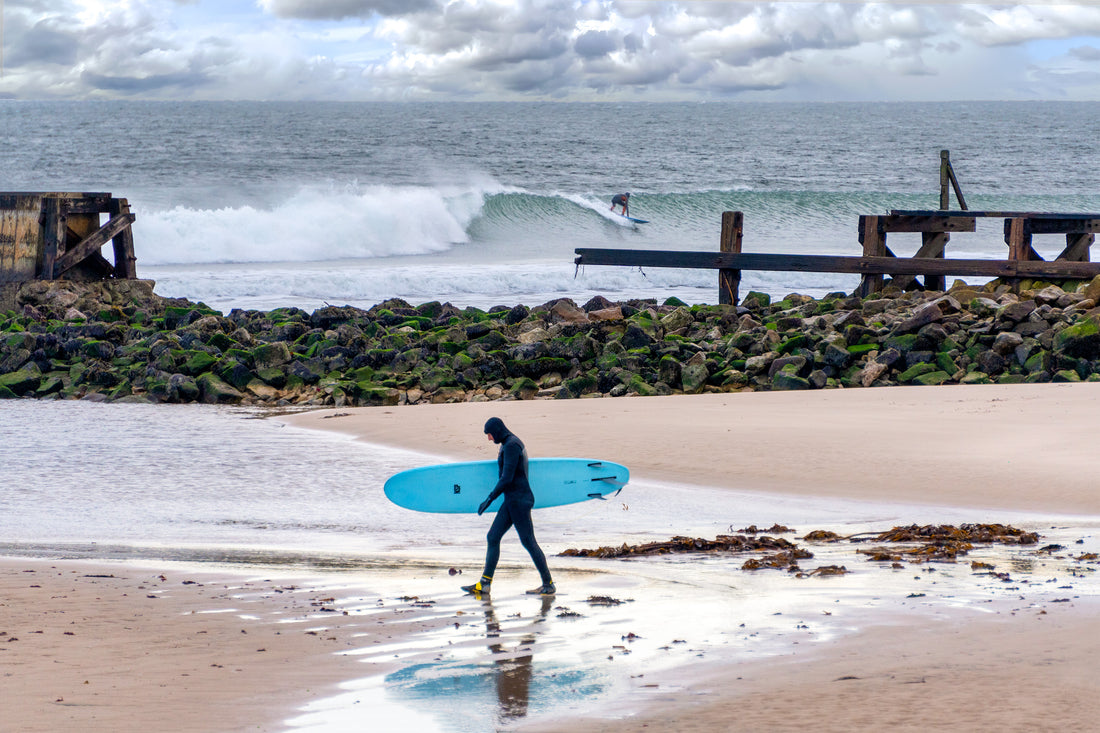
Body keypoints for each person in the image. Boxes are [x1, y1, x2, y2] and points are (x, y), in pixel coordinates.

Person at [461, 417, 556, 597]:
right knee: (493, 536)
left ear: (496, 430)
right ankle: (485, 584)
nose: (489, 438)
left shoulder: (512, 445)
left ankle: (548, 584)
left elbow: (507, 478)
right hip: (512, 500)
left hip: (519, 501)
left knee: (528, 541)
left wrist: (489, 499)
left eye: (489, 434)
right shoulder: (508, 443)